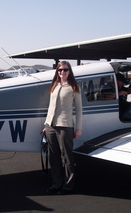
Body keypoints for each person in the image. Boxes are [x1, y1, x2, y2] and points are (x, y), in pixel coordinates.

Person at [43, 61, 82, 195]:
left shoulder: (73, 87)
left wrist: (78, 128)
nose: (62, 72)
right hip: (51, 126)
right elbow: (51, 106)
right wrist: (46, 124)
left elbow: (79, 109)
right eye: (60, 70)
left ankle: (68, 186)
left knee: (67, 157)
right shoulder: (55, 85)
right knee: (53, 156)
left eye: (65, 70)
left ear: (69, 71)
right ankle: (57, 183)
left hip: (65, 126)